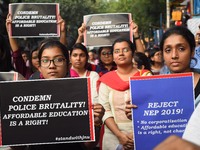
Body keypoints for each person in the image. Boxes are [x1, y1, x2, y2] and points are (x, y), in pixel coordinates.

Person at [8, 39, 104, 150]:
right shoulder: (27, 98)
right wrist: (9, 127)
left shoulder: (80, 95)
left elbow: (88, 145)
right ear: (39, 67)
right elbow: (19, 147)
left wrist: (96, 123)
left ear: (68, 66)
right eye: (45, 60)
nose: (52, 66)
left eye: (58, 60)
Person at [98, 38, 151, 150]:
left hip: (142, 133)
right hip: (113, 136)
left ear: (133, 53)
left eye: (125, 50)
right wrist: (120, 135)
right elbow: (105, 111)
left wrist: (134, 135)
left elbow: (151, 108)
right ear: (113, 56)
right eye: (117, 51)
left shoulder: (145, 77)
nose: (121, 54)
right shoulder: (106, 80)